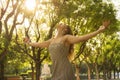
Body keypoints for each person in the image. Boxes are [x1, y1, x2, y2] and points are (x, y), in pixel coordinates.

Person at [23, 20, 110, 80]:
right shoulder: (51, 40)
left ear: (65, 30)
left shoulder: (66, 38)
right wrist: (29, 42)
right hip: (56, 71)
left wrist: (98, 31)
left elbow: (81, 38)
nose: (61, 23)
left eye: (63, 24)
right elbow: (38, 44)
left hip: (65, 71)